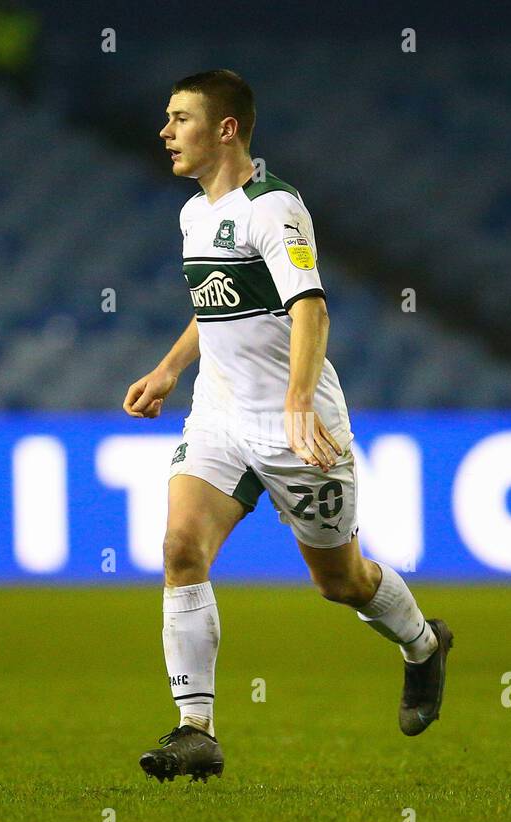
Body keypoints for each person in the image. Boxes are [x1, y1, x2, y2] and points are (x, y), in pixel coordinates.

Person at [123, 69, 454, 782]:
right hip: (219, 415)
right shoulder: (192, 215)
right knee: (181, 545)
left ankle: (424, 645)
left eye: (180, 118)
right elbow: (216, 307)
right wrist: (170, 368)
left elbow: (312, 308)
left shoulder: (275, 209)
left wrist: (299, 402)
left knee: (341, 581)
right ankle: (195, 729)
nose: (165, 131)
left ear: (226, 129)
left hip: (295, 427)